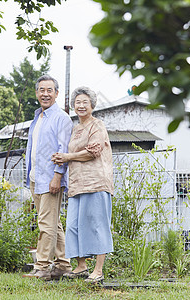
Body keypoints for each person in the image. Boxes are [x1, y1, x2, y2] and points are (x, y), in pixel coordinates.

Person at [51, 86, 114, 283]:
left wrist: (67, 157)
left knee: (97, 225)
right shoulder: (76, 128)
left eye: (84, 102)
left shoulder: (97, 125)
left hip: (96, 182)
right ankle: (81, 266)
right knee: (73, 226)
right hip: (77, 184)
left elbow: (93, 151)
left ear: (92, 105)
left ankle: (98, 269)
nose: (80, 105)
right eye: (77, 102)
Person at [22, 75, 73, 281]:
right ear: (37, 93)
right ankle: (63, 264)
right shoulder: (38, 117)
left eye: (49, 90)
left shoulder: (61, 118)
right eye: (41, 90)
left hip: (51, 178)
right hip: (36, 178)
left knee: (46, 224)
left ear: (56, 93)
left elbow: (63, 149)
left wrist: (57, 177)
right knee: (53, 223)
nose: (45, 94)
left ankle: (42, 267)